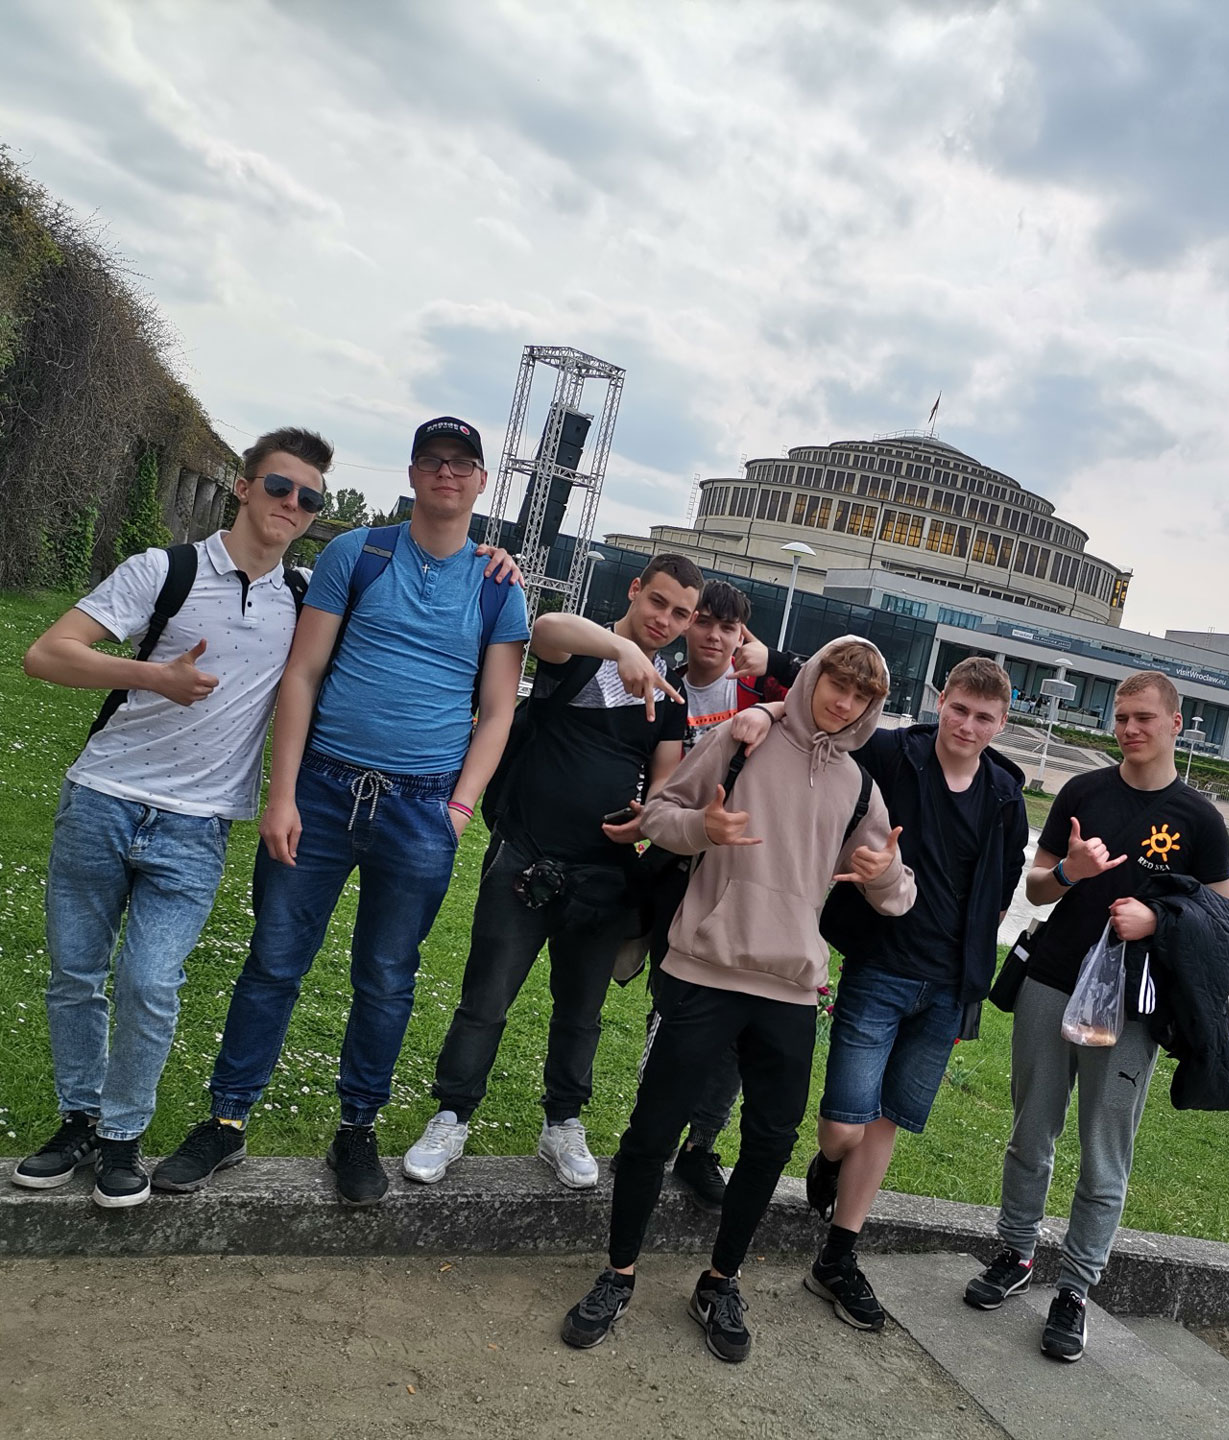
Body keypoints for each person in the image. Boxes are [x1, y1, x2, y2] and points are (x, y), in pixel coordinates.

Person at [153, 416, 529, 1206]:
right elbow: (303, 672)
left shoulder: (497, 585)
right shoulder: (358, 554)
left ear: (481, 481)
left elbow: (499, 712)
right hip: (323, 792)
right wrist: (282, 792)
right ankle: (226, 1121)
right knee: (273, 961)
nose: (447, 473)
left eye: (462, 463)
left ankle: (356, 1129)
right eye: (433, 460)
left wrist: (460, 809)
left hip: (421, 809)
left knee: (387, 978)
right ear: (413, 473)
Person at [559, 637, 915, 1364]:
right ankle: (618, 1274)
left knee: (770, 1144)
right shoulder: (742, 739)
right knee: (652, 1132)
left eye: (861, 696)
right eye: (837, 684)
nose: (844, 702)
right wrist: (703, 829)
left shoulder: (859, 785)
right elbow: (660, 814)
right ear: (813, 677)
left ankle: (721, 1282)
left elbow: (898, 895)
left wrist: (881, 874)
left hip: (791, 987)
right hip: (705, 968)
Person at [10, 428, 335, 1207]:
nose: (292, 504)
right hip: (104, 797)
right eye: (280, 486)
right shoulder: (165, 569)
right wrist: (152, 676)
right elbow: (46, 654)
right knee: (76, 975)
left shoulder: (305, 599)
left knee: (150, 983)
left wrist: (491, 557)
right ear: (244, 488)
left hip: (198, 824)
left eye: (309, 498)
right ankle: (79, 1120)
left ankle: (123, 1135)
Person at [400, 553, 702, 1189]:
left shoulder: (670, 697)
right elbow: (545, 629)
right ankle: (452, 1114)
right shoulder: (586, 653)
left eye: (681, 614)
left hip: (604, 875)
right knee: (485, 999)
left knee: (581, 1013)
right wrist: (622, 649)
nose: (665, 620)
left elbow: (666, 783)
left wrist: (647, 818)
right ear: (635, 590)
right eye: (658, 602)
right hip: (525, 855)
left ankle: (563, 1121)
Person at [964, 670, 1229, 1363]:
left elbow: (1221, 925)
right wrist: (1071, 873)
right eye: (1121, 717)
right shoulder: (1082, 793)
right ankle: (1016, 1252)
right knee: (1031, 1132)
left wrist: (1159, 918)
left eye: (1144, 717)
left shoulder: (1200, 819)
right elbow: (1035, 888)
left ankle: (1076, 1290)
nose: (1130, 729)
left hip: (1134, 1007)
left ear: (1176, 724)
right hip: (1051, 982)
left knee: (1104, 1152)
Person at [786, 655, 1029, 1331]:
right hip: (881, 966)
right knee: (844, 1125)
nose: (968, 726)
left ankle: (838, 1257)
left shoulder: (1005, 795)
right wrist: (765, 700)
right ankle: (829, 1161)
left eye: (984, 717)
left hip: (948, 986)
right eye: (959, 709)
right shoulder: (894, 754)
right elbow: (823, 727)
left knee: (887, 1119)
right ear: (940, 701)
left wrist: (972, 956)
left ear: (1002, 723)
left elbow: (1003, 883)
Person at [655, 578, 803, 1208]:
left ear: (743, 634)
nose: (713, 636)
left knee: (739, 1032)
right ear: (687, 623)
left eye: (728, 626)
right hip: (673, 870)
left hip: (744, 878)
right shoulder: (659, 682)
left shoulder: (760, 692)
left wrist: (776, 667)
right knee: (673, 1017)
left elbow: (835, 700)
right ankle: (655, 1135)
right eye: (703, 621)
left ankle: (701, 1145)